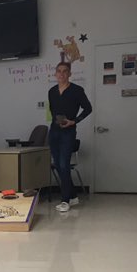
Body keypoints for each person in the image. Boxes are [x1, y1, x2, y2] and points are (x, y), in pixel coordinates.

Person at [48, 62, 92, 212]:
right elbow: (52, 110)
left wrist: (74, 121)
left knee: (64, 164)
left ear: (69, 74)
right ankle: (73, 196)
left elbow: (88, 108)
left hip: (68, 132)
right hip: (54, 131)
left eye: (65, 71)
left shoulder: (77, 90)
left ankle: (65, 200)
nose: (61, 74)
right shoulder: (52, 91)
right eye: (59, 71)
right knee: (59, 165)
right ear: (55, 74)